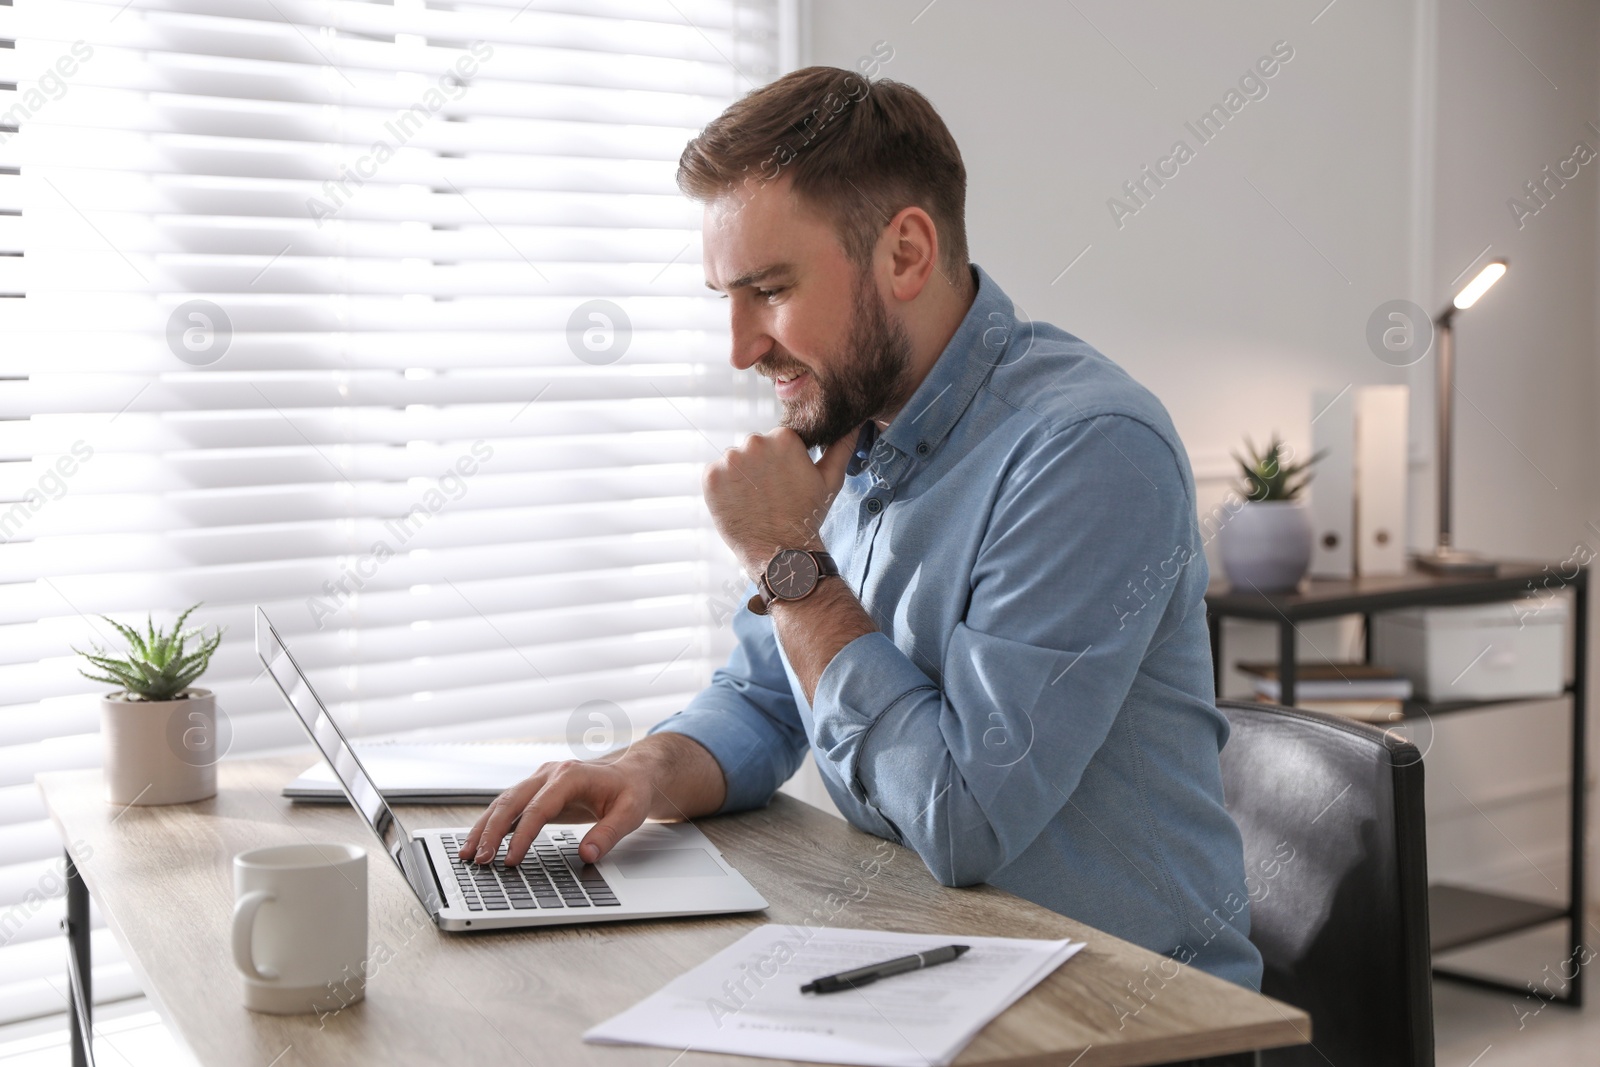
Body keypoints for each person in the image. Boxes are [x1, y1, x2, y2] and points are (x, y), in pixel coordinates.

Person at [461, 65, 1263, 990]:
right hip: (924, 966)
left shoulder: (1087, 452)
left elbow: (966, 818)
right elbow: (767, 695)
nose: (739, 348)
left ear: (906, 254)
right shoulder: (855, 425)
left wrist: (784, 557)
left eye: (768, 289)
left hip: (1129, 1013)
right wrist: (645, 769)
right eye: (724, 296)